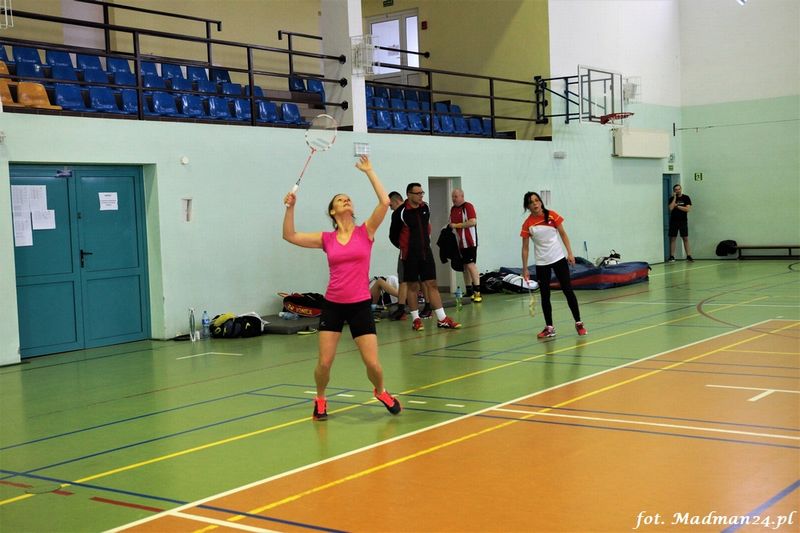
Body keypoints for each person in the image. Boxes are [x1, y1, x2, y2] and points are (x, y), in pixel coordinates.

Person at [282, 155, 401, 421]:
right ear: (333, 212)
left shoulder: (365, 232)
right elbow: (289, 235)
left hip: (360, 305)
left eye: (348, 198)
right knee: (324, 363)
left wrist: (370, 171)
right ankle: (320, 398)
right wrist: (290, 208)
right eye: (340, 200)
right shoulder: (327, 239)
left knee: (373, 364)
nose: (345, 200)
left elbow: (385, 202)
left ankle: (380, 391)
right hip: (334, 305)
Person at [390, 182, 461, 332]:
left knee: (432, 284)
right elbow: (393, 236)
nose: (421, 196)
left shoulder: (425, 207)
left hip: (426, 253)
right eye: (418, 193)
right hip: (409, 255)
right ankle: (416, 320)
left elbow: (427, 227)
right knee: (413, 286)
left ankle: (442, 319)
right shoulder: (400, 213)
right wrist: (405, 248)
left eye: (422, 193)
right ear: (409, 195)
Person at [520, 191, 587, 338]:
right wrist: (525, 269)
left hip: (558, 259)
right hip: (541, 263)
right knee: (545, 296)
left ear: (540, 202)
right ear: (527, 206)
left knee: (568, 290)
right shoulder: (527, 224)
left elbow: (563, 234)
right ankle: (549, 327)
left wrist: (570, 253)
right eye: (531, 202)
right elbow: (525, 248)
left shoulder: (552, 215)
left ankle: (579, 323)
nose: (535, 204)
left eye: (537, 200)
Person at [449, 188, 481, 302]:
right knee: (464, 267)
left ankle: (477, 292)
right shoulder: (453, 209)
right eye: (452, 197)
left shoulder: (467, 206)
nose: (454, 199)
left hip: (469, 242)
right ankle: (469, 291)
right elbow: (451, 223)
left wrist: (457, 225)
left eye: (456, 196)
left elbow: (473, 221)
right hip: (459, 243)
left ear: (462, 196)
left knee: (471, 265)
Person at [668, 183, 693, 262]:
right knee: (673, 238)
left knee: (685, 238)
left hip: (683, 221)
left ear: (681, 189)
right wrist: (675, 198)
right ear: (674, 191)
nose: (677, 191)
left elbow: (687, 209)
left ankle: (688, 255)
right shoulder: (671, 199)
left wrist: (677, 206)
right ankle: (672, 256)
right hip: (673, 221)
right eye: (676, 190)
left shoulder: (686, 198)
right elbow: (671, 208)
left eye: (679, 189)